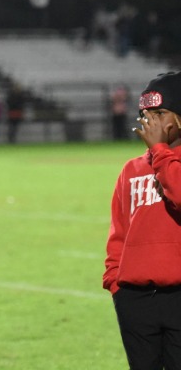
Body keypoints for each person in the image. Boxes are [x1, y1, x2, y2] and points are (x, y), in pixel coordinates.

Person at [103, 71, 181, 369]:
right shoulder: (132, 169)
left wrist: (161, 152)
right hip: (135, 298)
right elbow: (119, 232)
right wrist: (115, 284)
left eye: (160, 114)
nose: (151, 122)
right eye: (146, 115)